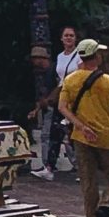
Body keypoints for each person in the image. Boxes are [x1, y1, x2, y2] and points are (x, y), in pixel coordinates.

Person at [59, 38, 109, 217]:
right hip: (107, 136)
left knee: (88, 180)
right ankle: (106, 205)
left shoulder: (70, 80)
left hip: (81, 137)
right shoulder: (108, 82)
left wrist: (81, 126)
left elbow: (62, 108)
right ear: (97, 57)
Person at [31, 26, 82, 180]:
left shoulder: (79, 56)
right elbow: (59, 79)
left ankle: (82, 167)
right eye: (66, 35)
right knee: (55, 131)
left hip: (75, 96)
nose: (68, 38)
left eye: (71, 35)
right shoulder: (60, 57)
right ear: (61, 38)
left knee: (75, 133)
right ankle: (49, 167)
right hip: (62, 95)